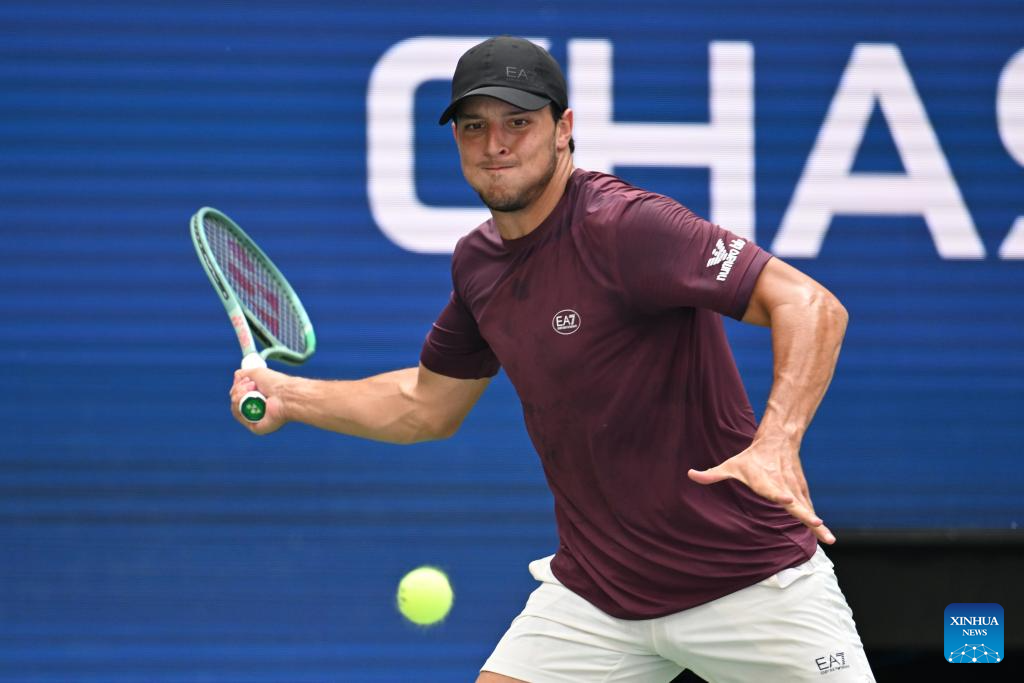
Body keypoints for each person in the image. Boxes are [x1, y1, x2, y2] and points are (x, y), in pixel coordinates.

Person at [230, 36, 874, 683]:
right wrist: (288, 395)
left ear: (563, 129)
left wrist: (778, 440)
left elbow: (811, 304)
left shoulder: (627, 226)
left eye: (518, 122)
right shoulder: (479, 265)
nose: (495, 144)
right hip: (600, 595)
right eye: (474, 126)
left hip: (746, 581)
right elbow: (425, 406)